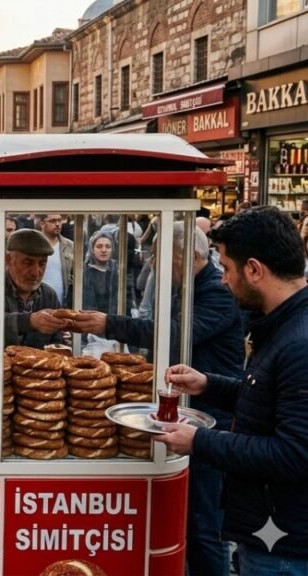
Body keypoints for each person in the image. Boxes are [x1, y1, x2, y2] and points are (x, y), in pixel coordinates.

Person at [74, 224, 242, 575]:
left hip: (209, 415)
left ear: (187, 257)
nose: (153, 263)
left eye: (160, 256)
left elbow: (173, 332)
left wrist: (109, 324)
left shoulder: (216, 292)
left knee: (203, 524)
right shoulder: (187, 287)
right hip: (188, 409)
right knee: (192, 518)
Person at [156, 206, 308, 575]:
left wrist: (200, 441)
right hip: (271, 534)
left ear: (254, 270)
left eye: (225, 268)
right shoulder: (282, 327)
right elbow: (269, 399)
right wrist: (208, 384)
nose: (222, 280)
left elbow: (295, 453)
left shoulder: (298, 343)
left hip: (284, 547)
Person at [0, 229, 66, 347]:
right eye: (28, 263)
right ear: (8, 260)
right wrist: (30, 321)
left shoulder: (49, 295)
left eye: (42, 264)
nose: (35, 272)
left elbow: (56, 343)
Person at [81, 230, 123, 314]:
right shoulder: (84, 272)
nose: (104, 250)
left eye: (108, 246)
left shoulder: (118, 270)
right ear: (92, 249)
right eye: (99, 246)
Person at [38, 214, 74, 306]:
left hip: (62, 302)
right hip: (37, 301)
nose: (57, 224)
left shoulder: (70, 246)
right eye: (53, 221)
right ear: (42, 223)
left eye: (59, 220)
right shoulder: (33, 244)